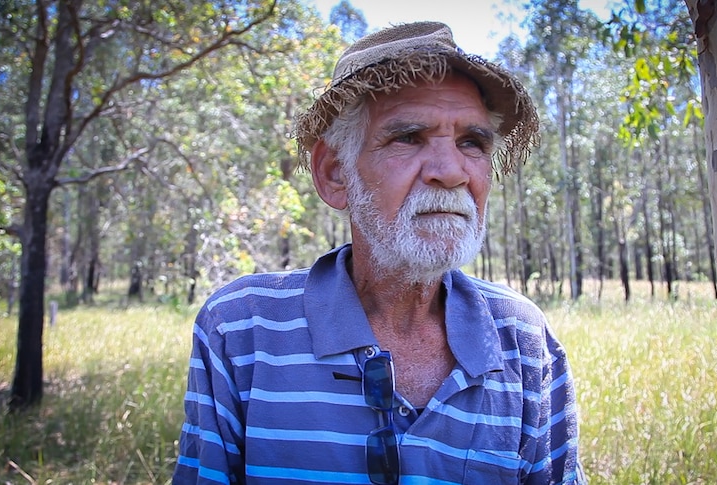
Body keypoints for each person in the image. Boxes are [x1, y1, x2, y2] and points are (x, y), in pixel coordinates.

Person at [174, 21, 585, 484]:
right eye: (408, 137)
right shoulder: (241, 329)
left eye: (472, 142)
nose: (451, 171)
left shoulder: (522, 338)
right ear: (334, 174)